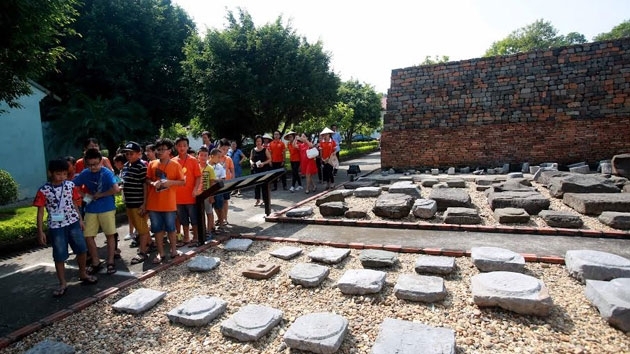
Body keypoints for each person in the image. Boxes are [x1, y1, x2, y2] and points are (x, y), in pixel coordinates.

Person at [34, 159, 97, 297]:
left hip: (73, 222)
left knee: (82, 249)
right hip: (56, 226)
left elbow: (75, 203)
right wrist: (40, 231)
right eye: (58, 174)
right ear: (50, 173)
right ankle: (62, 282)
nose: (62, 176)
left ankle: (83, 273)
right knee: (59, 254)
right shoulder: (44, 190)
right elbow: (40, 211)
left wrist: (80, 219)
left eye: (64, 173)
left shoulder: (69, 185)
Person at [72, 148, 120, 275]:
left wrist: (102, 194)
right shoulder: (84, 173)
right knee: (88, 235)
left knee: (110, 235)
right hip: (91, 208)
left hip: (107, 207)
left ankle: (110, 261)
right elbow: (73, 186)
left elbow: (116, 189)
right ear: (86, 163)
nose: (93, 167)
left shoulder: (107, 173)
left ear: (101, 162)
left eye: (96, 164)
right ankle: (95, 261)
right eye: (90, 165)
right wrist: (85, 196)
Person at [146, 138, 185, 263]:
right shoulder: (152, 164)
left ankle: (173, 250)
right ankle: (161, 253)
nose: (160, 152)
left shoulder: (175, 165)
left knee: (171, 228)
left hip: (169, 203)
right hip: (154, 204)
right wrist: (153, 183)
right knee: (157, 229)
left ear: (169, 151)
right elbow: (146, 179)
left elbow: (183, 181)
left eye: (163, 149)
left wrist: (169, 182)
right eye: (158, 149)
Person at [120, 142, 151, 264]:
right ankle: (150, 244)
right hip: (129, 202)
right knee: (140, 226)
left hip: (138, 202)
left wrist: (144, 203)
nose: (128, 155)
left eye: (131, 153)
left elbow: (145, 185)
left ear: (139, 154)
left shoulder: (141, 166)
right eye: (127, 153)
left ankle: (142, 252)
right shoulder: (126, 165)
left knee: (141, 229)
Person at [173, 137, 202, 246]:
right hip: (178, 197)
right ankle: (186, 237)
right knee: (182, 218)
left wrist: (195, 189)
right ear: (176, 147)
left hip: (191, 195)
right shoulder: (173, 161)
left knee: (194, 218)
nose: (182, 148)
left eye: (184, 145)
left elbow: (198, 177)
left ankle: (196, 237)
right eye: (179, 145)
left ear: (187, 146)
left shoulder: (193, 160)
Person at [198, 146, 216, 239]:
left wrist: (211, 195)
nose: (203, 157)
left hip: (207, 195)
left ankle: (209, 231)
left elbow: (212, 182)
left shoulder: (210, 168)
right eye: (201, 155)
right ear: (198, 156)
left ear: (208, 156)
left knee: (209, 212)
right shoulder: (196, 167)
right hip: (198, 195)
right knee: (200, 213)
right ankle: (203, 230)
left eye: (205, 155)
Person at [249, 134, 272, 206]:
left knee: (264, 185)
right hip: (256, 170)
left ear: (262, 141)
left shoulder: (265, 150)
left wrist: (264, 163)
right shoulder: (253, 150)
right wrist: (252, 162)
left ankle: (265, 200)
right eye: (257, 141)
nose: (258, 142)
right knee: (256, 185)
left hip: (264, 169)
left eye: (260, 141)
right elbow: (250, 159)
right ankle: (257, 199)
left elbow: (270, 159)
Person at [217, 139, 234, 226]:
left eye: (227, 150)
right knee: (217, 202)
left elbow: (232, 170)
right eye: (223, 149)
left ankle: (225, 218)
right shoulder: (214, 158)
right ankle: (220, 218)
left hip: (226, 183)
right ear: (219, 147)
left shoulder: (228, 159)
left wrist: (233, 182)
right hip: (216, 184)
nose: (225, 151)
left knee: (225, 201)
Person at [210, 148, 227, 227]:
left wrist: (214, 180)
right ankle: (211, 226)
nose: (220, 159)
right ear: (212, 156)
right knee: (209, 210)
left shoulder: (220, 167)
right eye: (218, 157)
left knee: (219, 208)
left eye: (221, 157)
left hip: (217, 191)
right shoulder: (205, 165)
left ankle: (221, 223)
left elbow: (223, 179)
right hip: (208, 191)